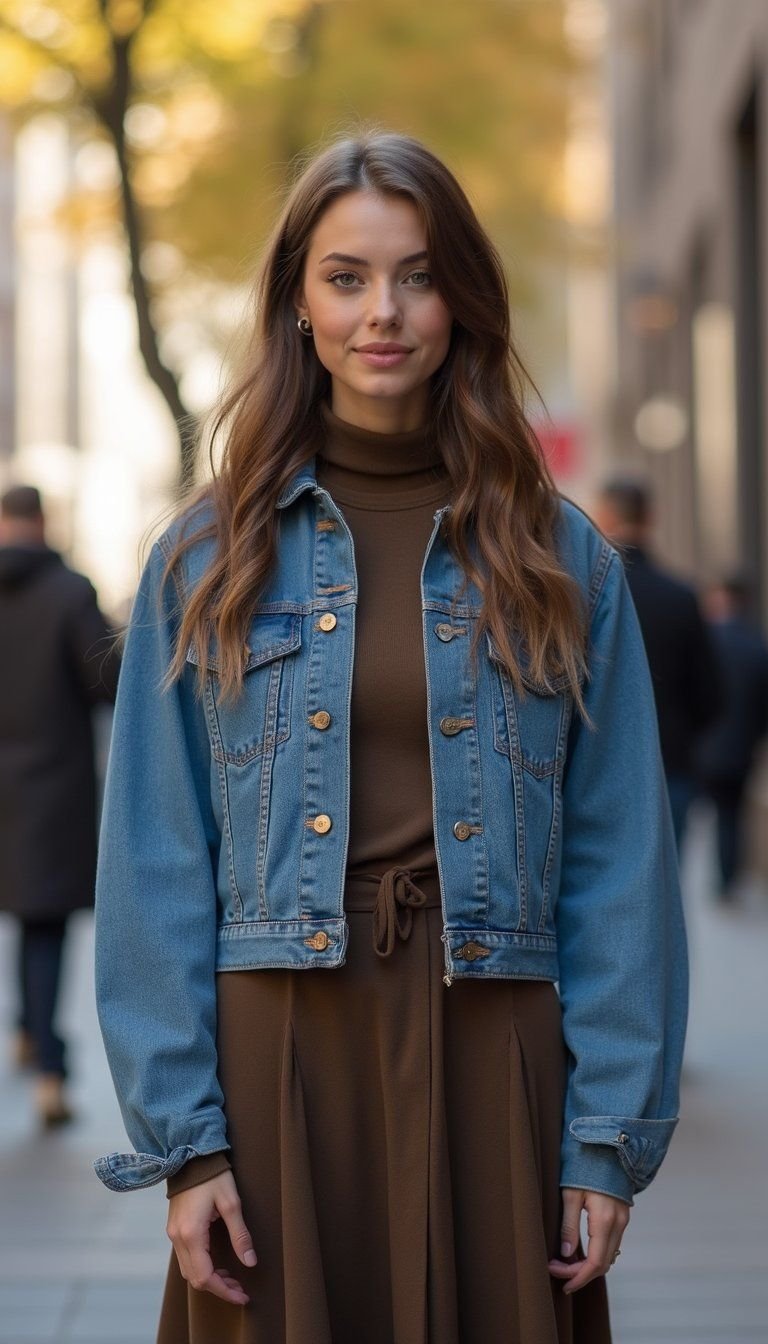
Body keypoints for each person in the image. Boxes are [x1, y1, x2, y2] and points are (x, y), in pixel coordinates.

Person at [93, 133, 687, 1344]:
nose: (384, 312)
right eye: (347, 277)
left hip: (495, 1048)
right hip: (281, 1051)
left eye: (417, 276)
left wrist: (608, 1136)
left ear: (461, 298)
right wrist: (185, 1144)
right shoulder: (206, 560)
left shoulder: (563, 558)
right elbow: (155, 859)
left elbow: (621, 859)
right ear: (297, 305)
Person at [0, 483, 119, 1126]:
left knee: (26, 917)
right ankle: (49, 1069)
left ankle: (27, 1028)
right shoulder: (69, 592)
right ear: (42, 521)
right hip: (50, 787)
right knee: (42, 922)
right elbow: (105, 680)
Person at [593, 476, 722, 850]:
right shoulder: (682, 597)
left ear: (602, 517)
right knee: (668, 888)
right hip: (672, 765)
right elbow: (712, 694)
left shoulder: (585, 594)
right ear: (651, 517)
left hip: (601, 773)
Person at [696, 574, 768, 900]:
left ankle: (723, 878)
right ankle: (729, 880)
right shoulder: (757, 646)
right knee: (731, 815)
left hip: (706, 746)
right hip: (741, 748)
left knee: (714, 814)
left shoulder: (706, 641)